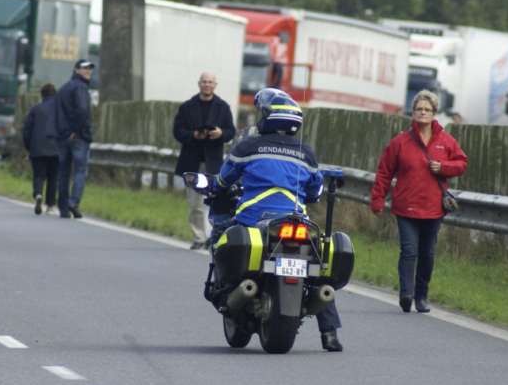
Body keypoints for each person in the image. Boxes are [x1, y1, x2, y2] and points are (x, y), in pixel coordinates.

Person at [212, 88, 344, 352]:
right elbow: (314, 191)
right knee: (317, 274)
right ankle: (329, 333)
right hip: (297, 222)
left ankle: (227, 294)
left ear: (267, 117)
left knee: (218, 237)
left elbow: (223, 180)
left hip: (253, 219)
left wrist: (214, 186)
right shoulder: (305, 152)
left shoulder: (247, 146)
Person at [370, 89, 468, 313]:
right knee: (408, 250)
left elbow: (462, 163)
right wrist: (377, 201)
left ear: (434, 114)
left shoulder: (447, 141)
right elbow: (384, 172)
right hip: (405, 207)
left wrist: (444, 167)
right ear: (412, 113)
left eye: (427, 109)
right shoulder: (400, 142)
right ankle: (406, 294)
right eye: (418, 109)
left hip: (434, 209)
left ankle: (421, 296)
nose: (422, 113)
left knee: (427, 254)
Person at [173, 71, 236, 249]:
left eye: (210, 82)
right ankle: (198, 238)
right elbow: (177, 131)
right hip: (191, 161)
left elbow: (231, 132)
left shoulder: (223, 107)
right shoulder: (187, 107)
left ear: (215, 85)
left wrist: (220, 134)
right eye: (204, 82)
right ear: (199, 84)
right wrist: (193, 135)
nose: (207, 85)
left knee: (214, 203)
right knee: (195, 204)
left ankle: (211, 237)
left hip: (213, 163)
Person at [47, 59, 94, 219]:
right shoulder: (80, 87)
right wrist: (78, 131)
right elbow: (82, 110)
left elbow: (56, 114)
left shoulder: (63, 88)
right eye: (85, 68)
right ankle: (73, 202)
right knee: (80, 170)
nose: (88, 71)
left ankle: (63, 208)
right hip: (78, 137)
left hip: (63, 137)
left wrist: (62, 133)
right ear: (76, 70)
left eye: (90, 68)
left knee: (64, 172)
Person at [23, 83, 59, 216]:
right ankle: (50, 206)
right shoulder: (60, 110)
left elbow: (27, 130)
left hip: (38, 149)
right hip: (56, 148)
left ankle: (38, 194)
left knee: (39, 175)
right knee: (53, 178)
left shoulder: (35, 109)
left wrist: (29, 147)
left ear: (42, 95)